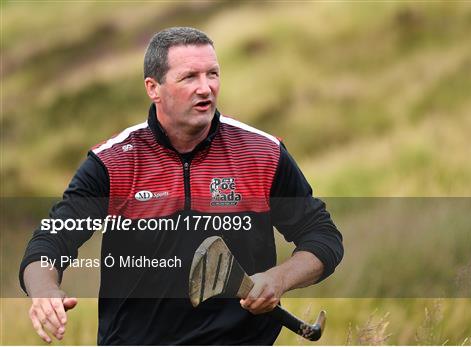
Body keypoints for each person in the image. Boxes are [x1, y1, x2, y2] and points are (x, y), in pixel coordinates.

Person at [20, 27, 343, 345]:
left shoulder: (261, 152)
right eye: (189, 77)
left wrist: (278, 279)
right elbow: (51, 240)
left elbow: (322, 236)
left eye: (212, 74)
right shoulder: (113, 162)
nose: (206, 88)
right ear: (153, 88)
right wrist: (44, 291)